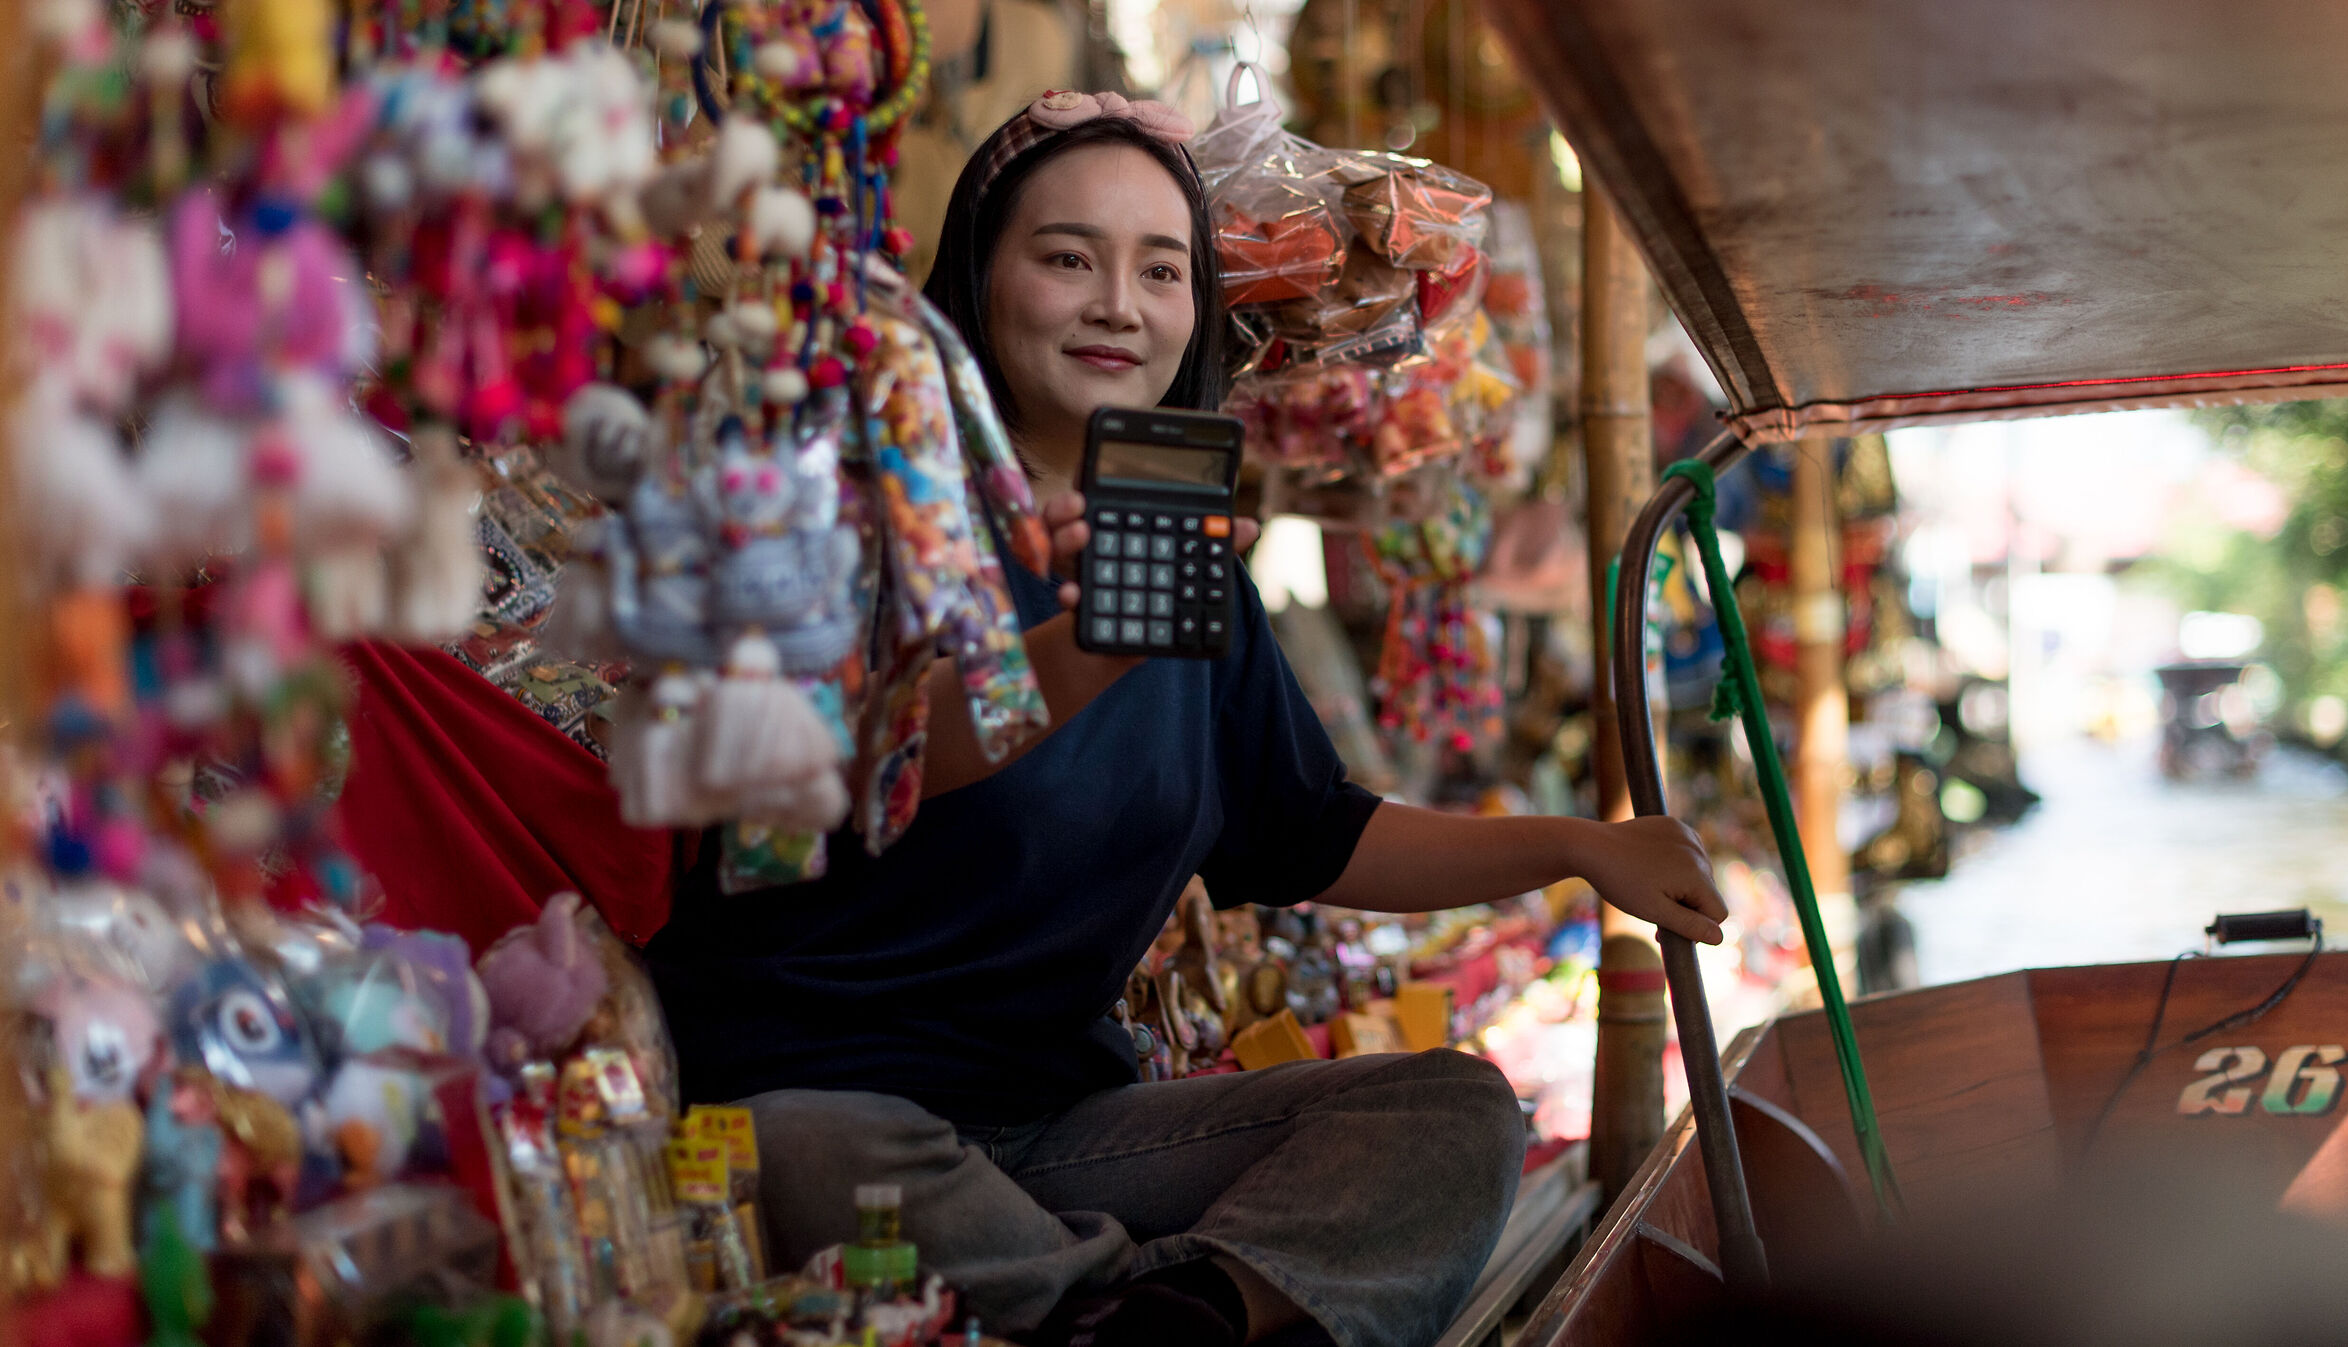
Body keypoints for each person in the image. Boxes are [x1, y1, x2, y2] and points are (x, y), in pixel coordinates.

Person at [640, 91, 1729, 1347]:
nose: (1119, 303)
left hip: (1049, 1131)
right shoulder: (860, 508)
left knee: (1449, 1114)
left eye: (1162, 270)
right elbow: (872, 754)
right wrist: (1099, 642)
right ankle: (1124, 1305)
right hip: (823, 1106)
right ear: (979, 280)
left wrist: (1574, 846)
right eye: (1067, 259)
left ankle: (1166, 1312)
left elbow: (1314, 834)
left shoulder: (1192, 567)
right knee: (805, 1143)